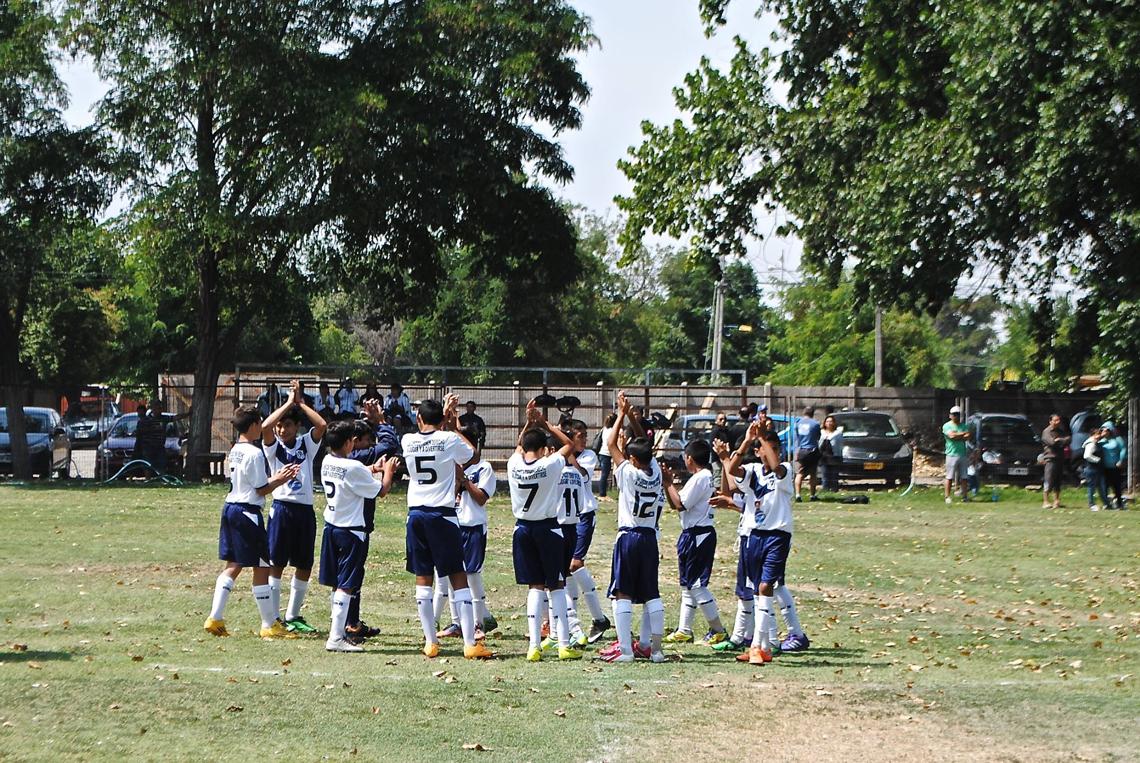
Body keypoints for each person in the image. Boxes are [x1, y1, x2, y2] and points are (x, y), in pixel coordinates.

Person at [403, 393, 493, 659]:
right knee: (458, 577)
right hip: (442, 516)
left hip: (415, 515)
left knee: (423, 578)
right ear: (441, 419)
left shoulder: (407, 440)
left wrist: (442, 419)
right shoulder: (449, 438)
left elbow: (429, 438)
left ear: (418, 418)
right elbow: (473, 456)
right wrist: (451, 423)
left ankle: (430, 642)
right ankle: (469, 643)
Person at [203, 405, 301, 639]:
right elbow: (260, 490)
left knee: (234, 564)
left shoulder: (236, 449)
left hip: (231, 509)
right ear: (255, 425)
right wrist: (279, 479)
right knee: (262, 567)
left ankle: (215, 618)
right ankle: (269, 624)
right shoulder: (254, 453)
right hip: (247, 512)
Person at [506, 400, 580, 661]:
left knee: (534, 587)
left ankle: (534, 646)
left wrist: (529, 422)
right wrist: (547, 424)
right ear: (541, 449)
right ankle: (563, 643)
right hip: (548, 529)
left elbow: (519, 446)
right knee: (556, 584)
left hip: (522, 529)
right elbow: (569, 446)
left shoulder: (513, 465)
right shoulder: (548, 466)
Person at [598, 391, 667, 664]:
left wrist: (622, 412)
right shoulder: (657, 471)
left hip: (629, 535)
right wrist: (635, 423)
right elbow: (643, 444)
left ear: (634, 460)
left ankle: (626, 650)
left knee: (622, 592)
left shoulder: (628, 472)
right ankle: (657, 651)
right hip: (650, 536)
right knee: (652, 593)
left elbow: (610, 442)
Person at [318, 420, 397, 652]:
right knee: (347, 584)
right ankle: (335, 638)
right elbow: (381, 491)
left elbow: (354, 473)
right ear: (348, 442)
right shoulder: (353, 468)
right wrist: (388, 473)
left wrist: (373, 468)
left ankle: (338, 630)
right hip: (351, 530)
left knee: (337, 584)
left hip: (331, 526)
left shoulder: (327, 460)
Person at [260, 380, 327, 633]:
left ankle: (293, 614)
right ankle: (274, 616)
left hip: (304, 511)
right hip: (282, 509)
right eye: (280, 425)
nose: (281, 429)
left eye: (287, 424)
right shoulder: (273, 447)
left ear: (297, 426)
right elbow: (265, 425)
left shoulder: (305, 444)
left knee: (304, 564)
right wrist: (288, 403)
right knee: (276, 562)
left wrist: (300, 404)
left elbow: (321, 425)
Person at [434, 424, 499, 639]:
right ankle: (457, 623)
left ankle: (478, 623)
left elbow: (481, 498)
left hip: (473, 528)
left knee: (472, 576)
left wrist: (464, 480)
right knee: (453, 575)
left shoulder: (484, 468)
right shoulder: (450, 467)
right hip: (453, 525)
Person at [660, 439, 728, 645]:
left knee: (697, 586)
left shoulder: (701, 477)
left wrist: (668, 482)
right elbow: (676, 504)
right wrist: (668, 485)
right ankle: (684, 629)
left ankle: (718, 630)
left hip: (699, 535)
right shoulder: (700, 477)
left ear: (689, 458)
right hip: (691, 534)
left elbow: (680, 504)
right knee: (687, 586)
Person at [565, 420, 611, 643]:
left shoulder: (588, 456)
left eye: (585, 435)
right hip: (566, 517)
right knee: (566, 570)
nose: (584, 438)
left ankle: (599, 618)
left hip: (584, 515)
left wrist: (568, 451)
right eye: (579, 435)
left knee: (575, 563)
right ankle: (570, 622)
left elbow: (583, 475)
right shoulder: (557, 457)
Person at [943, 405, 972, 504]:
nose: (956, 416)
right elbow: (951, 436)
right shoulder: (947, 425)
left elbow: (967, 436)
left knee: (964, 477)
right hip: (951, 454)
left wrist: (957, 435)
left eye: (958, 414)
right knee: (949, 476)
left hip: (962, 454)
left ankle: (965, 496)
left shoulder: (964, 426)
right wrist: (961, 434)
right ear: (950, 415)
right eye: (954, 414)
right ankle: (947, 496)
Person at [1040, 414, 1070, 510]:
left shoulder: (1060, 432)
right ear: (1050, 421)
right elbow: (1052, 443)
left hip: (1060, 458)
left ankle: (1056, 501)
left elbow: (1068, 439)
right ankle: (1045, 501)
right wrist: (1060, 441)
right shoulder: (1046, 432)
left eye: (1058, 420)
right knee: (1049, 479)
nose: (1058, 422)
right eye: (1055, 420)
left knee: (1058, 480)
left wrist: (1060, 440)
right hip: (1050, 459)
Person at [134, 398, 168, 472]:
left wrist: (188, 414)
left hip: (159, 446)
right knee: (147, 464)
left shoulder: (164, 418)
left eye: (160, 408)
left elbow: (175, 417)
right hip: (149, 446)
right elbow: (140, 432)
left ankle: (161, 478)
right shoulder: (147, 419)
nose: (158, 410)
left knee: (161, 463)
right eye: (156, 408)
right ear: (153, 408)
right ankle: (147, 478)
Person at [1100, 423, 1127, 509]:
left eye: (1106, 430)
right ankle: (1106, 504)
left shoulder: (1117, 439)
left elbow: (1123, 448)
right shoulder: (1101, 440)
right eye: (1102, 430)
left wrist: (1121, 460)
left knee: (1117, 486)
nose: (1104, 432)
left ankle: (1119, 504)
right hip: (1104, 467)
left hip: (1115, 467)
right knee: (1104, 486)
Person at [1082, 428, 1109, 511]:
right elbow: (1087, 456)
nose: (1098, 436)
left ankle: (1106, 504)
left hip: (1097, 469)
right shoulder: (1091, 444)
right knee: (1092, 487)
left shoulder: (1096, 442)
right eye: (1096, 434)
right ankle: (1091, 504)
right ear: (1092, 435)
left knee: (1102, 487)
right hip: (1091, 469)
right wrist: (1098, 460)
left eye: (1099, 434)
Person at [819, 414, 844, 493]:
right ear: (825, 423)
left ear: (834, 423)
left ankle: (834, 491)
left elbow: (840, 445)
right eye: (827, 421)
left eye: (831, 421)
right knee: (825, 476)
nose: (829, 423)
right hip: (823, 457)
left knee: (834, 476)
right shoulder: (821, 433)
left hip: (834, 457)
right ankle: (825, 491)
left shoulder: (838, 433)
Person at [597, 412, 617, 498]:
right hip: (607, 453)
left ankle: (603, 492)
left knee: (604, 474)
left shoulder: (604, 429)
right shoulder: (614, 430)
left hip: (602, 453)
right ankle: (602, 494)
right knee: (605, 474)